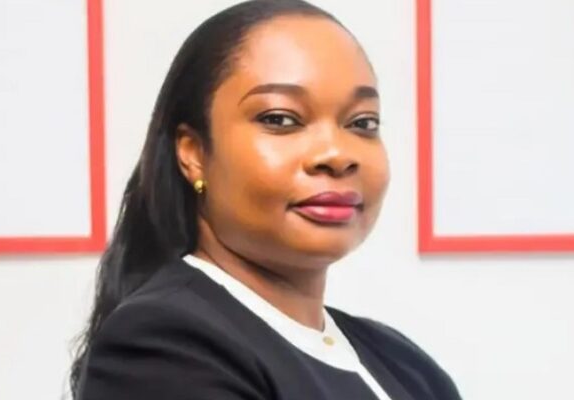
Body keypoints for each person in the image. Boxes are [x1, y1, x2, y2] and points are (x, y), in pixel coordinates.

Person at [70, 1, 462, 399]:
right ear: (194, 153)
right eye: (280, 119)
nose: (337, 154)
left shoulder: (404, 364)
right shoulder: (163, 347)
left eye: (362, 123)